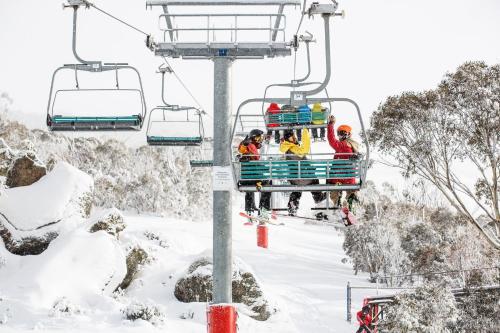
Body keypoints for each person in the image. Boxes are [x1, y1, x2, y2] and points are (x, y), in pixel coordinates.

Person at [279, 128, 327, 216]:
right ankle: (320, 204)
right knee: (315, 184)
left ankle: (293, 204)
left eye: (294, 136)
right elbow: (305, 149)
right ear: (287, 139)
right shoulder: (292, 147)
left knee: (297, 190)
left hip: (295, 178)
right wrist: (305, 132)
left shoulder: (287, 148)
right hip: (304, 177)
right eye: (291, 137)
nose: (294, 138)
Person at [326, 115, 360, 211]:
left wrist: (330, 125)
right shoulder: (353, 145)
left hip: (339, 177)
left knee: (335, 191)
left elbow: (331, 140)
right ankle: (350, 207)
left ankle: (338, 205)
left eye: (342, 134)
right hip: (349, 178)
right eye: (339, 134)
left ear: (348, 134)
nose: (340, 136)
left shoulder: (343, 145)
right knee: (351, 191)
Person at [238, 129, 272, 215]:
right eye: (259, 138)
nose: (260, 140)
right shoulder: (250, 145)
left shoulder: (249, 145)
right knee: (268, 185)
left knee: (249, 188)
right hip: (254, 178)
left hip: (245, 179)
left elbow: (243, 150)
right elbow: (255, 162)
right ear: (254, 138)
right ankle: (263, 209)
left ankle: (250, 209)